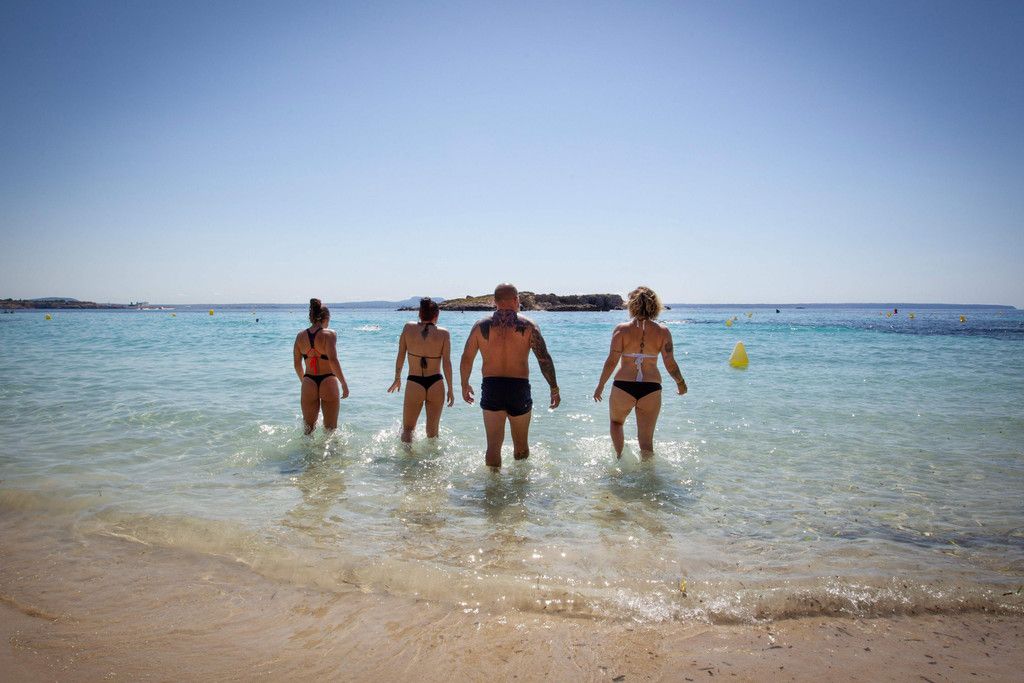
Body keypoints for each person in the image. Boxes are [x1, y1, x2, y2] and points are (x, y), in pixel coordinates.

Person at [460, 283, 559, 467]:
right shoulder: (529, 326)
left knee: (493, 447)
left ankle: (493, 483)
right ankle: (520, 482)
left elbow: (467, 358)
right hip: (518, 388)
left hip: (491, 387)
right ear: (516, 300)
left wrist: (464, 384)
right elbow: (544, 359)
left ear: (494, 301)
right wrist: (554, 388)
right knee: (521, 446)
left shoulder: (480, 326)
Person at [593, 286, 686, 457]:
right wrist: (680, 383)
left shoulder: (621, 330)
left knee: (616, 423)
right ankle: (648, 472)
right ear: (655, 306)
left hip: (623, 386)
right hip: (651, 388)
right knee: (646, 440)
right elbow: (670, 364)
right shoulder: (663, 332)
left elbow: (612, 361)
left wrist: (601, 385)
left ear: (632, 305)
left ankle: (619, 459)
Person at [387, 297, 454, 442]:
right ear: (437, 315)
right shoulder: (444, 333)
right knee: (433, 432)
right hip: (436, 383)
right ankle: (433, 457)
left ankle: (407, 456)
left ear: (419, 313)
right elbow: (447, 363)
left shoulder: (408, 328)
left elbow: (401, 355)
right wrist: (450, 388)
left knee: (408, 430)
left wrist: (397, 377)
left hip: (414, 382)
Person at [292, 298, 349, 433]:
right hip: (328, 380)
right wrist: (343, 383)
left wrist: (304, 381)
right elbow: (333, 361)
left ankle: (308, 449)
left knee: (308, 431)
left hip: (308, 381)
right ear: (326, 318)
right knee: (330, 430)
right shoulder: (329, 334)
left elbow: (297, 364)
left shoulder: (300, 336)